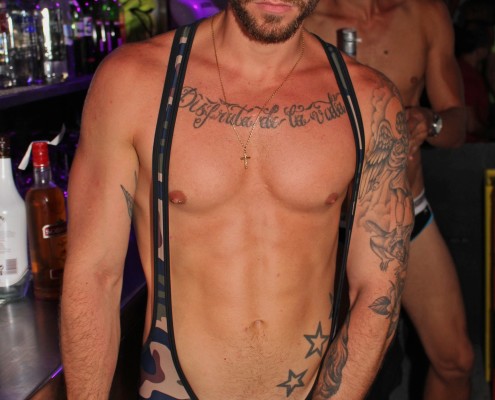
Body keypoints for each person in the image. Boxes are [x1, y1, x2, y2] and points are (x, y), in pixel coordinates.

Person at [60, 0, 414, 398]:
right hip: (173, 387)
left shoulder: (368, 100)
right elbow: (94, 275)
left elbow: (379, 288)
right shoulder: (134, 81)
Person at [305, 0, 474, 399]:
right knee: (325, 372)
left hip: (403, 211)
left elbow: (458, 124)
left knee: (455, 361)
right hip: (322, 225)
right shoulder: (303, 15)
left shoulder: (425, 15)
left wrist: (429, 122)